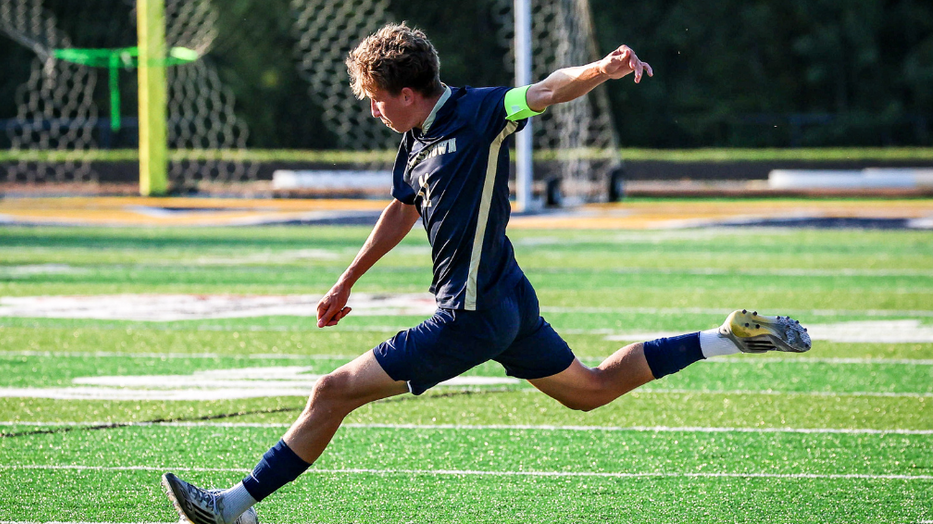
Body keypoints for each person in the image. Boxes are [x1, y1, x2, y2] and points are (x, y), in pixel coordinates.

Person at [162, 23, 811, 524]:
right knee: (591, 389)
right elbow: (402, 207)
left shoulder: (478, 113)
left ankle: (234, 505)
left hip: (473, 314)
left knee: (332, 392)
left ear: (409, 94)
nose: (373, 110)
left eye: (376, 100)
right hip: (505, 302)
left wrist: (602, 69)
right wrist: (347, 281)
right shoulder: (412, 137)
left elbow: (547, 90)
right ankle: (728, 336)